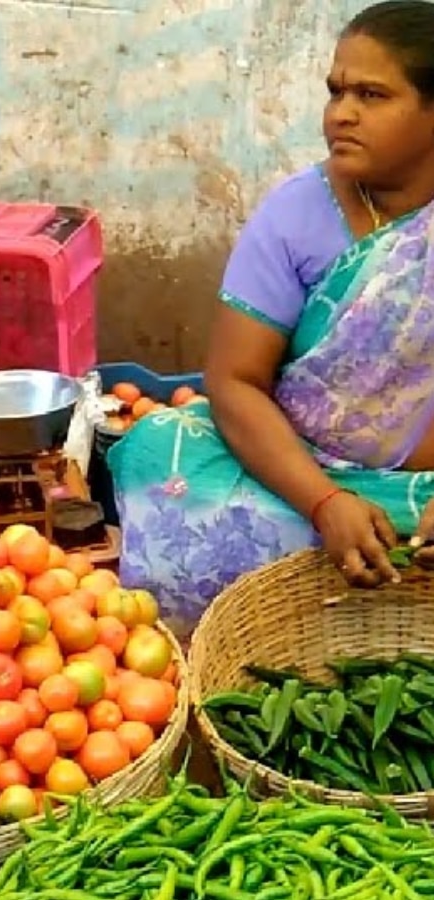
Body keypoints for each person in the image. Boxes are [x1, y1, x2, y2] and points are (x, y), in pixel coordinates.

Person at [110, 0, 434, 640]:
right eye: (336, 91)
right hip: (296, 470)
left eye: (372, 94)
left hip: (423, 492)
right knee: (157, 456)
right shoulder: (297, 213)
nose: (341, 114)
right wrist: (325, 501)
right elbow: (234, 382)